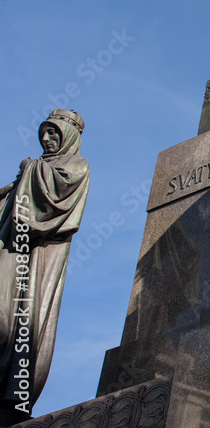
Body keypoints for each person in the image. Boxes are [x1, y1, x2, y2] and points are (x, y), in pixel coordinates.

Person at [0, 110, 89, 422]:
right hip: (10, 250)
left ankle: (11, 396)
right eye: (44, 134)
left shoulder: (75, 166)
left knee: (15, 322)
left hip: (35, 257)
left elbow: (54, 200)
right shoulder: (28, 172)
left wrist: (30, 169)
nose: (47, 140)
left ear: (69, 135)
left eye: (54, 134)